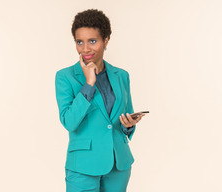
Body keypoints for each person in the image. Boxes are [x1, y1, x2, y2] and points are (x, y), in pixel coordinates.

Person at [55, 9, 145, 192]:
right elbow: (69, 122)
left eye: (92, 41)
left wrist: (129, 125)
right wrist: (89, 83)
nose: (85, 49)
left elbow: (125, 116)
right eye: (80, 42)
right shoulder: (65, 77)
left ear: (106, 41)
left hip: (118, 164)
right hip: (83, 166)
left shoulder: (121, 76)